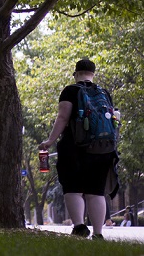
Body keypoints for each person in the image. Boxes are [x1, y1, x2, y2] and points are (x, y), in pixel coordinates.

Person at [39, 59, 119, 241]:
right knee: (96, 191)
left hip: (75, 148)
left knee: (73, 188)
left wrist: (50, 140)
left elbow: (62, 117)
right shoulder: (103, 92)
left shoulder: (70, 90)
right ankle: (98, 233)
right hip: (103, 149)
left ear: (76, 74)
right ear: (93, 73)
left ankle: (80, 227)